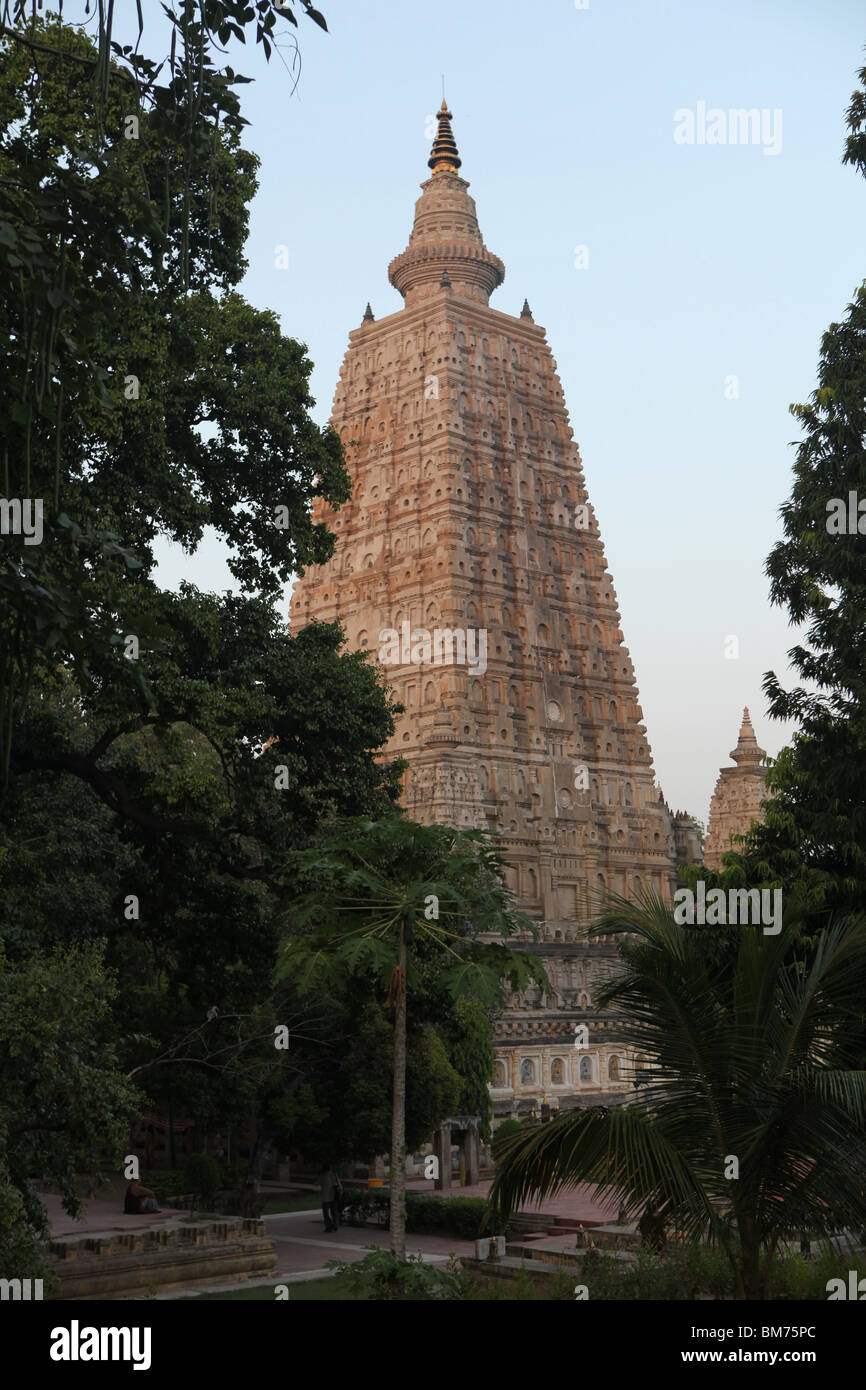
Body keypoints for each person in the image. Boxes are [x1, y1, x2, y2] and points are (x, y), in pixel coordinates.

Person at [319, 1162, 342, 1232]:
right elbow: (340, 1186)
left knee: (325, 1213)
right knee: (334, 1212)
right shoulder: (334, 1175)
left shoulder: (322, 1175)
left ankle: (329, 1225)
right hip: (334, 1197)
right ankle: (335, 1225)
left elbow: (316, 1183)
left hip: (326, 1198)